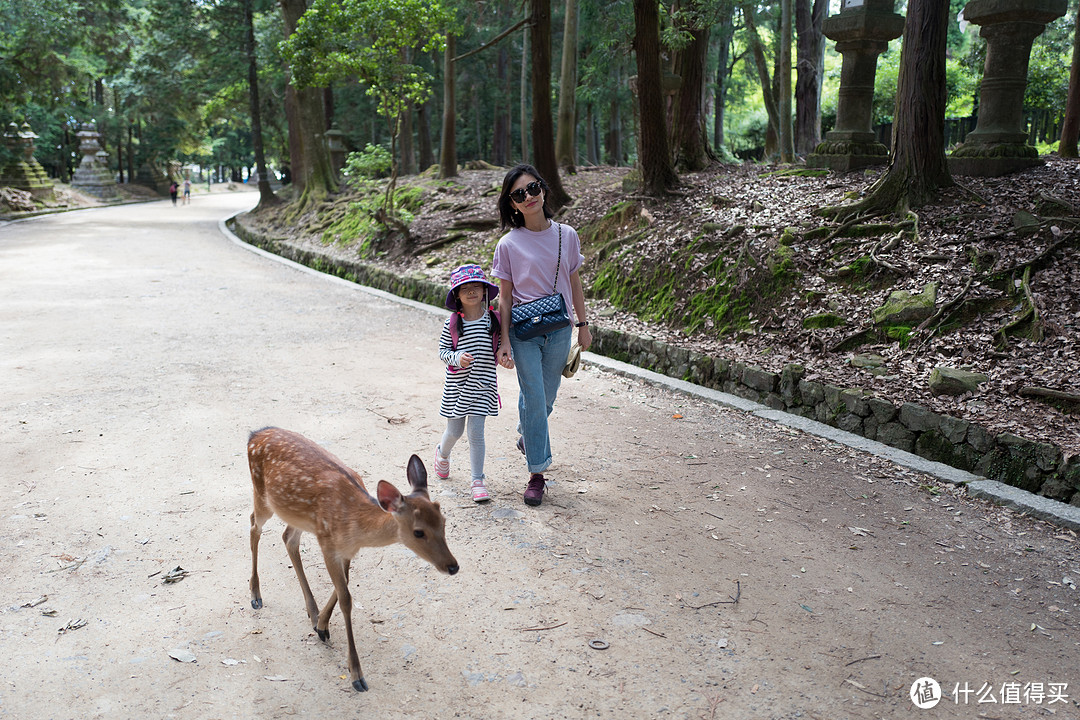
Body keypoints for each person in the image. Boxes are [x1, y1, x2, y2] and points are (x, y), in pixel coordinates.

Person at [492, 164, 592, 507]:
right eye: (519, 194)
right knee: (533, 397)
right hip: (523, 333)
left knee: (545, 401)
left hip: (560, 330)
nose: (529, 196)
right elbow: (504, 298)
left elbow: (574, 282)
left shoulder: (568, 235)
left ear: (544, 190)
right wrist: (503, 341)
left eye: (533, 188)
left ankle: (528, 437)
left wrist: (583, 324)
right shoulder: (507, 245)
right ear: (512, 204)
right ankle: (537, 474)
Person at [434, 264, 513, 503]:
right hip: (458, 387)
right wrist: (457, 358)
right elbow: (442, 351)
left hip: (483, 385)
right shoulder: (453, 324)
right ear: (457, 296)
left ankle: (477, 480)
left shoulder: (494, 320)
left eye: (476, 287)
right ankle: (442, 453)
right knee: (455, 431)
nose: (471, 292)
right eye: (464, 289)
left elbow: (502, 349)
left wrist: (506, 358)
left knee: (476, 434)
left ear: (485, 291)